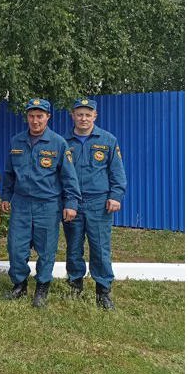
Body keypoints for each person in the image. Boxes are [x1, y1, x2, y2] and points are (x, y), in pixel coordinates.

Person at [1, 98, 81, 308]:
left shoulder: (58, 143)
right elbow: (9, 173)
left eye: (39, 116)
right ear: (27, 117)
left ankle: (42, 289)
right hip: (21, 203)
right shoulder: (16, 141)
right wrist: (5, 196)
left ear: (48, 117)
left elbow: (69, 177)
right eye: (31, 116)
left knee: (46, 249)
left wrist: (71, 203)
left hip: (48, 205)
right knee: (16, 247)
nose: (35, 121)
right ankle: (19, 285)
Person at [62, 98, 127, 309]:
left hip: (100, 204)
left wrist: (116, 196)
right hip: (73, 203)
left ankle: (103, 291)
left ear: (95, 116)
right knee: (73, 248)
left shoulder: (107, 140)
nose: (83, 118)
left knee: (100, 248)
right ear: (73, 115)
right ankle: (75, 286)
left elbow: (117, 172)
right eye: (79, 114)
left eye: (88, 114)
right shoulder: (64, 143)